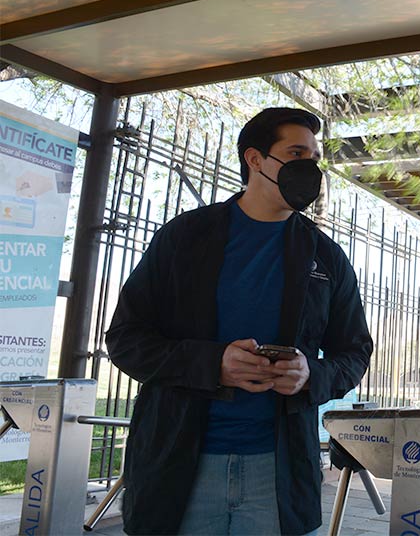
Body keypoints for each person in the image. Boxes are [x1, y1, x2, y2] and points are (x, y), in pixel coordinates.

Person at [107, 107, 373, 535]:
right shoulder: (184, 238)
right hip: (182, 468)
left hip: (278, 473)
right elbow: (125, 338)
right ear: (255, 159)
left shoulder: (325, 256)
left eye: (315, 158)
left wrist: (311, 374)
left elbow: (355, 351)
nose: (310, 168)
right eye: (296, 154)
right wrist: (213, 365)